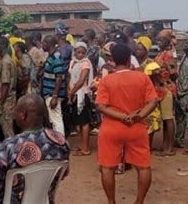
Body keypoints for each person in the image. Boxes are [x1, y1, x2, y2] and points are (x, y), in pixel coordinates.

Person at [0, 94, 70, 204]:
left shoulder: (9, 146)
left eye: (15, 112)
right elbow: (63, 174)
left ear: (22, 115)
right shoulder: (61, 141)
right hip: (43, 199)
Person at [96, 43, 158, 204]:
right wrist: (138, 116)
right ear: (130, 58)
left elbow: (100, 106)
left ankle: (112, 202)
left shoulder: (106, 80)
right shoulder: (142, 78)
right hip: (136, 127)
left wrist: (121, 117)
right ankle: (139, 201)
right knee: (143, 167)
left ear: (113, 60)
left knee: (107, 167)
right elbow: (152, 102)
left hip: (111, 128)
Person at [154, 29, 178, 156]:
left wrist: (163, 76)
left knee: (168, 119)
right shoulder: (161, 53)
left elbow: (174, 73)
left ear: (168, 41)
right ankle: (165, 145)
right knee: (164, 119)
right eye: (157, 39)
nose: (158, 42)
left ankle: (169, 148)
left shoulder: (168, 54)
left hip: (166, 89)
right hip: (160, 89)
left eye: (161, 40)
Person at [67, 42, 93, 156]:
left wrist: (71, 93)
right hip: (74, 93)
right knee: (78, 122)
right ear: (75, 52)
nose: (81, 55)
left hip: (81, 94)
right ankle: (82, 145)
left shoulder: (85, 63)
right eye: (78, 52)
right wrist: (70, 91)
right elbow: (69, 77)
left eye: (83, 53)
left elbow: (81, 81)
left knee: (83, 122)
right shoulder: (72, 62)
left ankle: (85, 148)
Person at [42, 35, 67, 136]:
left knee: (56, 120)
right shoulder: (51, 57)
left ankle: (60, 142)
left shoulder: (55, 58)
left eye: (43, 42)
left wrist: (55, 96)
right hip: (50, 93)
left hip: (53, 94)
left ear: (48, 44)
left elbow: (59, 77)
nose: (42, 45)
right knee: (54, 120)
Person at [0, 37, 17, 138]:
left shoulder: (6, 62)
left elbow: (5, 84)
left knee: (7, 129)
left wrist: (0, 103)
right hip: (7, 99)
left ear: (3, 46)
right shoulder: (6, 60)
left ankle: (12, 151)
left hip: (6, 101)